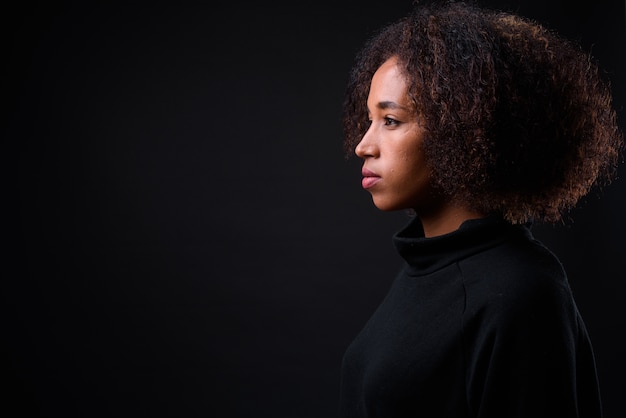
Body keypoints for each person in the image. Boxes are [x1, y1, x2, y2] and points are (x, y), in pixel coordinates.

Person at [339, 1, 624, 417]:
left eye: (391, 121)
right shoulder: (427, 266)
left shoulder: (520, 292)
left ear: (463, 127)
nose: (363, 144)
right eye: (368, 120)